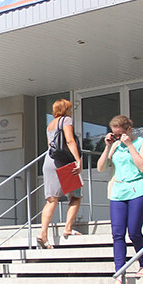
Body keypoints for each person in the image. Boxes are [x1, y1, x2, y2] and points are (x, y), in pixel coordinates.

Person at [96, 114, 143, 284]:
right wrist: (107, 146)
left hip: (138, 190)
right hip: (118, 192)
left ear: (129, 130)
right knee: (117, 234)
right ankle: (119, 274)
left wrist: (129, 145)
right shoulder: (115, 146)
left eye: (120, 134)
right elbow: (101, 168)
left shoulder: (142, 142)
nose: (117, 137)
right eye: (114, 134)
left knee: (134, 231)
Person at [37, 99, 82, 248]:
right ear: (65, 109)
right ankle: (68, 228)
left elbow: (50, 145)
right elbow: (69, 141)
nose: (71, 111)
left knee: (51, 199)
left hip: (50, 161)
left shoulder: (50, 124)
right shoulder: (66, 120)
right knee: (75, 196)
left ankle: (43, 233)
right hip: (64, 161)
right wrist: (78, 160)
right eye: (69, 108)